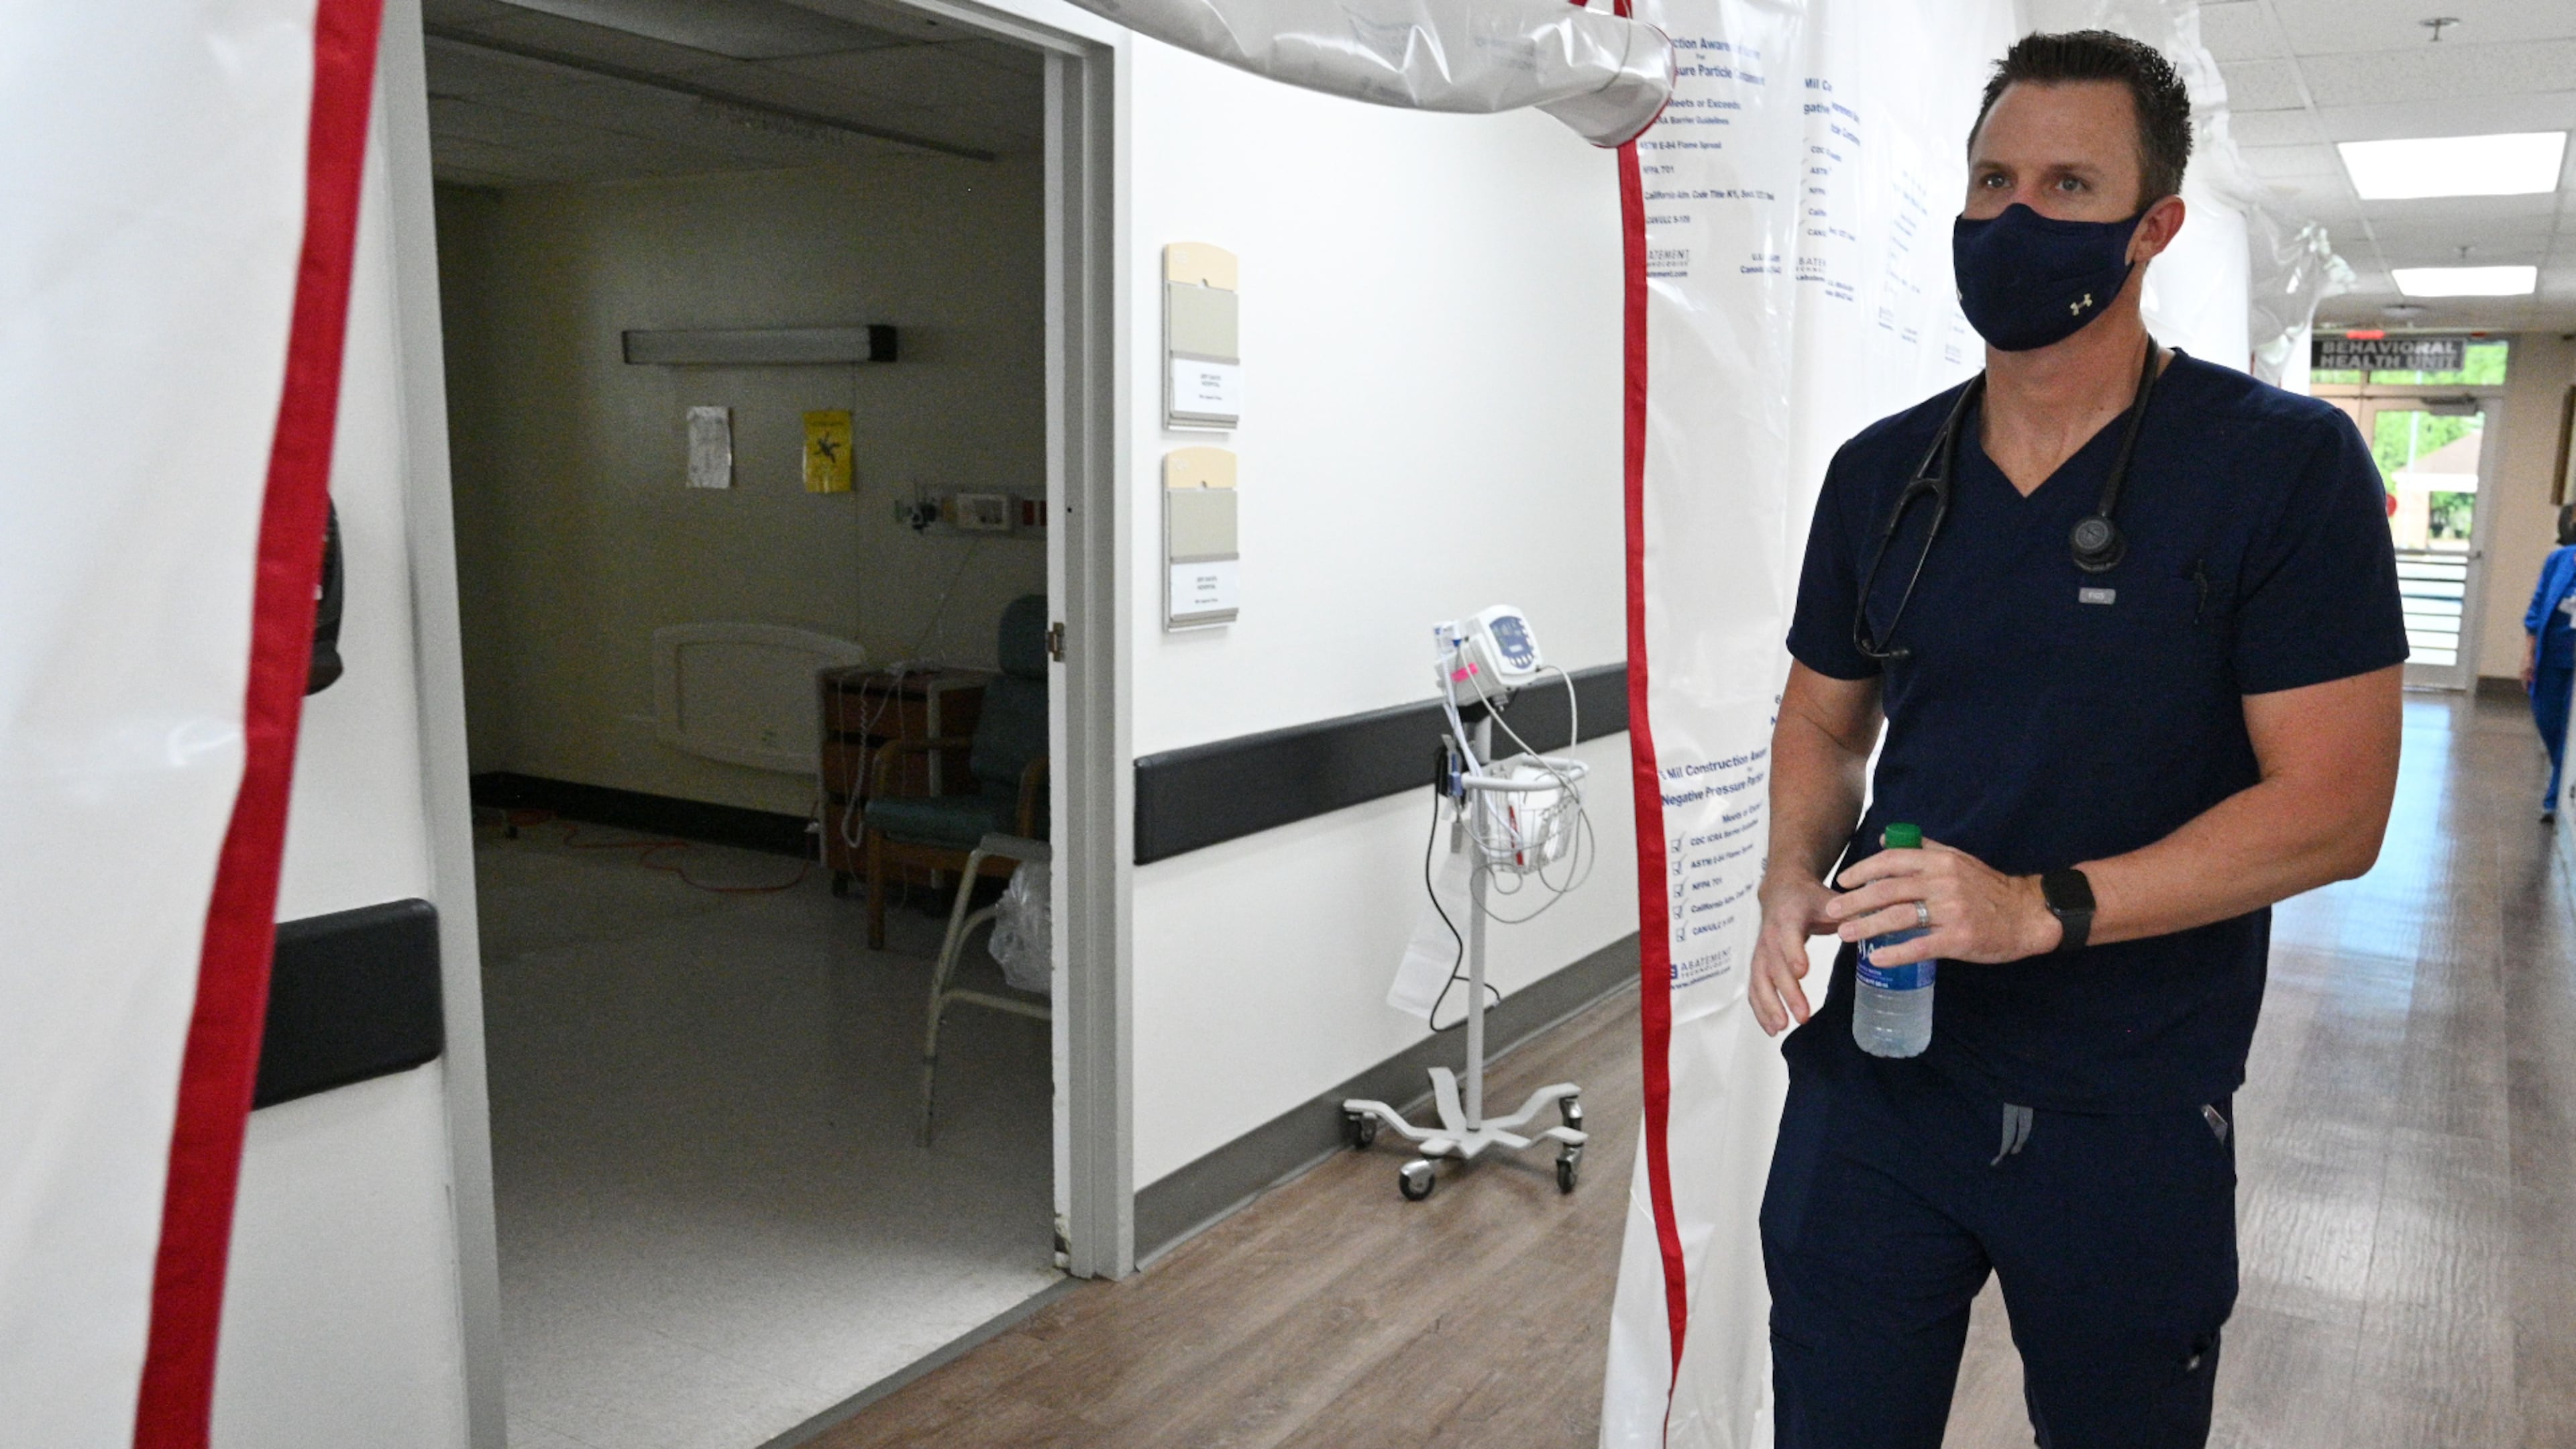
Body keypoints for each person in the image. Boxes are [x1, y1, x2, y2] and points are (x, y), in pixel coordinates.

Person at [1746, 30, 2407, 1449]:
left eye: (2065, 184)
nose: (2013, 220)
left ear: (2152, 226)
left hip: (2130, 1106)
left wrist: (2039, 909)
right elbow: (1820, 713)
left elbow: (2337, 813)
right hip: (1885, 1077)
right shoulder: (1884, 476)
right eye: (1991, 181)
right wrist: (1789, 873)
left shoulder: (2280, 471)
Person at [2522, 503, 2576, 821]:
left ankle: (2556, 797)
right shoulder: (2558, 560)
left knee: (2571, 729)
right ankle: (2563, 775)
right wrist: (2528, 654)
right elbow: (2537, 607)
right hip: (2552, 652)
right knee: (2547, 718)